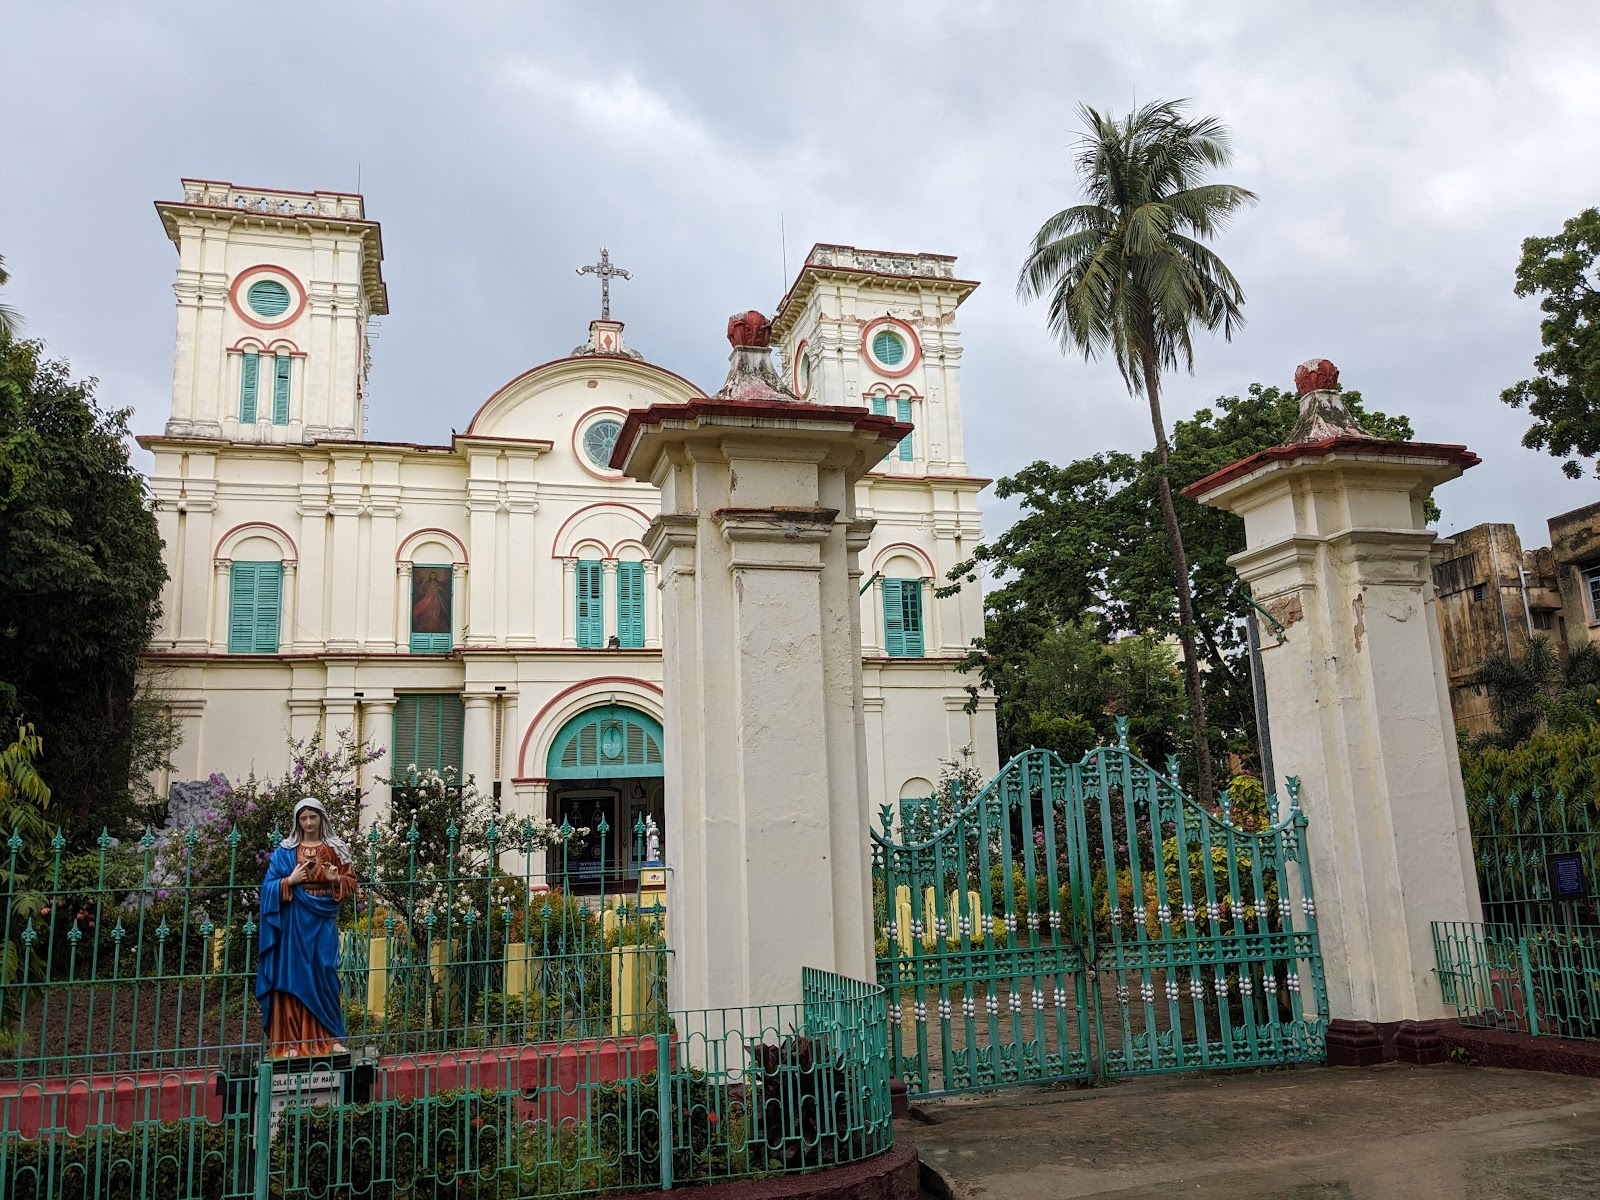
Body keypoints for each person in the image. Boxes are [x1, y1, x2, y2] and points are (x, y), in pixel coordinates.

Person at [257, 797, 358, 1059]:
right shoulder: (285, 852)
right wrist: (289, 881)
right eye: (304, 818)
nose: (309, 822)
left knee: (325, 973)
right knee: (292, 976)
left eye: (313, 817)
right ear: (297, 821)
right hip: (294, 921)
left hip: (323, 919)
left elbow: (351, 882)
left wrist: (337, 881)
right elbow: (267, 886)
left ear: (322, 818)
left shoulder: (336, 849)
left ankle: (330, 1035)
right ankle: (289, 1042)